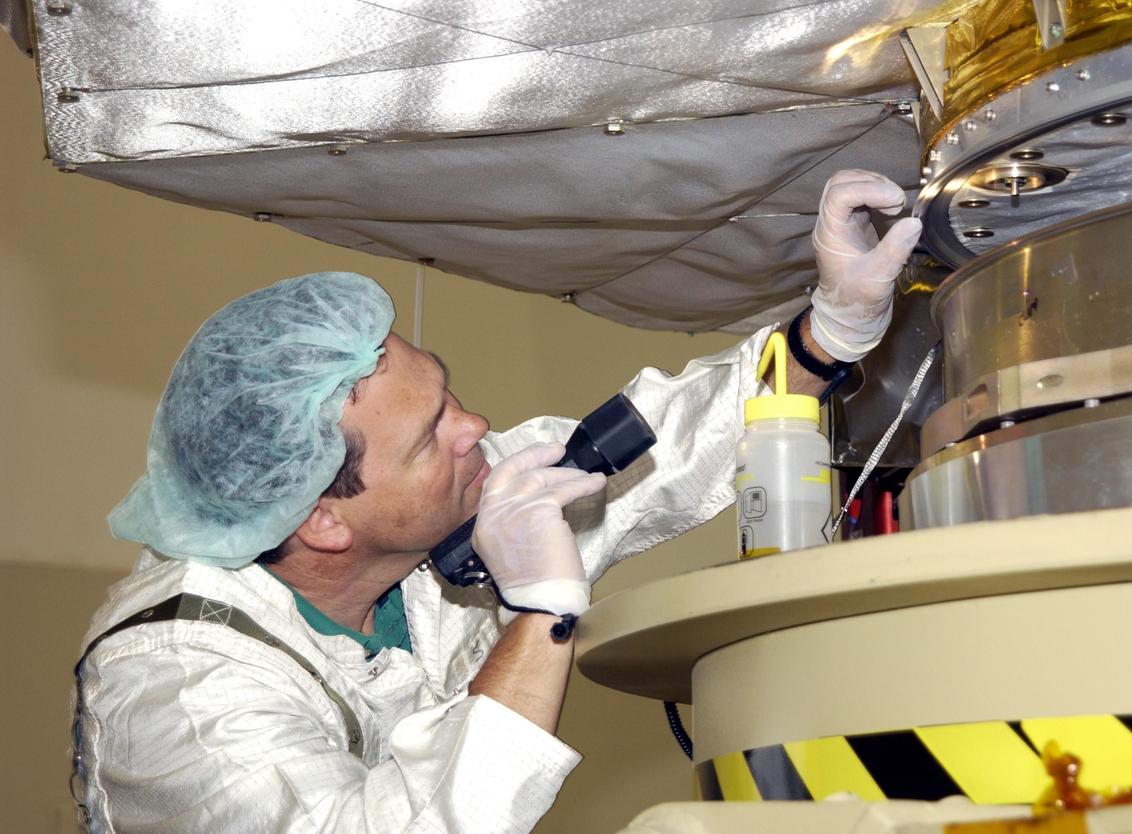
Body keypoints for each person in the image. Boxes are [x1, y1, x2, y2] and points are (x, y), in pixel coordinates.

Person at [72, 170, 921, 833]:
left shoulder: (432, 505)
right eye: (430, 434)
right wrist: (539, 616)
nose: (475, 427)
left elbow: (650, 447)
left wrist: (829, 330)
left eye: (448, 396)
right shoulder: (178, 685)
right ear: (320, 519)